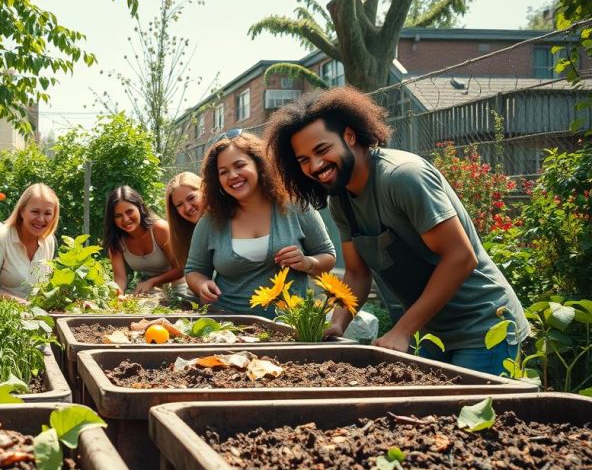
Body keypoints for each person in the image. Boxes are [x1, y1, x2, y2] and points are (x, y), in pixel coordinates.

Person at [265, 87, 529, 372]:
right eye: (303, 160)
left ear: (350, 137)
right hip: (431, 332)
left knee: (473, 414)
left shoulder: (403, 177)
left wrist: (402, 330)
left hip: (484, 327)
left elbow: (461, 257)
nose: (315, 165)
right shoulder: (341, 201)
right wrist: (338, 324)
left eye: (322, 150)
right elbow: (356, 273)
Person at [185, 130, 336, 316]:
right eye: (223, 172)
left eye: (239, 165)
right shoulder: (210, 221)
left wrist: (307, 262)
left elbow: (328, 256)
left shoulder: (296, 206)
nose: (232, 175)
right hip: (227, 326)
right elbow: (194, 270)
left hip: (290, 325)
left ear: (259, 164)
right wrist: (201, 284)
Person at [103, 186, 184, 296]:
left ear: (140, 207)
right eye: (118, 215)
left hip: (179, 284)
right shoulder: (116, 240)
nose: (126, 219)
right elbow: (120, 278)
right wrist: (118, 295)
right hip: (148, 289)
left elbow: (180, 269)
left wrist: (152, 282)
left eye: (129, 211)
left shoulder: (160, 229)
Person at [0, 183, 59, 301]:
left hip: (38, 316)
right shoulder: (0, 239)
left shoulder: (49, 241)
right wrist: (21, 304)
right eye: (35, 211)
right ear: (22, 211)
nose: (41, 219)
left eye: (48, 213)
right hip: (2, 315)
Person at [164, 172, 205, 270]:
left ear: (204, 191)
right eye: (179, 205)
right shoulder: (184, 237)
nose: (188, 208)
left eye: (191, 198)